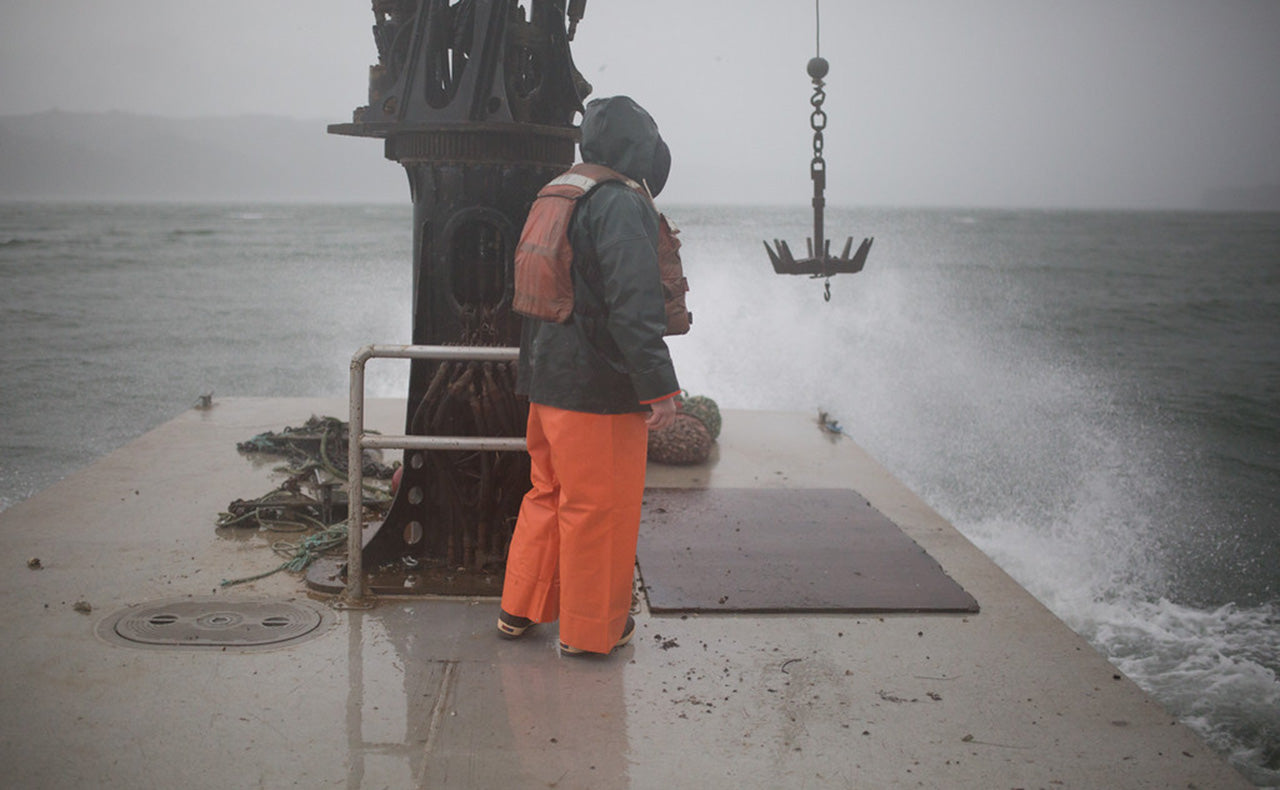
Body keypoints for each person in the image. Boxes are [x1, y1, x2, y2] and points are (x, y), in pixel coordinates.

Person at [498, 95, 680, 656]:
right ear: (640, 149)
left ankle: (519, 608)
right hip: (596, 391)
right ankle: (594, 629)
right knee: (599, 511)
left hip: (546, 384)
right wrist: (659, 387)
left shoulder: (560, 191)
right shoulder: (621, 203)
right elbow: (634, 303)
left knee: (549, 494)